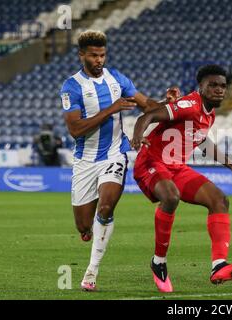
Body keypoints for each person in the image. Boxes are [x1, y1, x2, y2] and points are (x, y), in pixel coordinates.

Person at [60, 30, 180, 292]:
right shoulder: (71, 87)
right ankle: (90, 232)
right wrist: (110, 110)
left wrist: (165, 102)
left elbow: (146, 105)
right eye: (93, 55)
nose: (99, 60)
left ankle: (91, 271)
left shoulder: (117, 79)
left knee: (106, 208)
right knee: (83, 225)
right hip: (85, 161)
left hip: (115, 154)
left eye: (102, 55)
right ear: (82, 55)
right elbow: (75, 130)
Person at [131, 64, 232, 293]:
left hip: (176, 168)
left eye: (223, 86)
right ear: (201, 87)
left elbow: (202, 141)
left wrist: (230, 164)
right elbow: (147, 116)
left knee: (219, 200)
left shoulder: (210, 115)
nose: (219, 90)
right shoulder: (188, 105)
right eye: (213, 85)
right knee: (170, 197)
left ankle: (219, 266)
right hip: (152, 162)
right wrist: (138, 137)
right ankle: (159, 262)